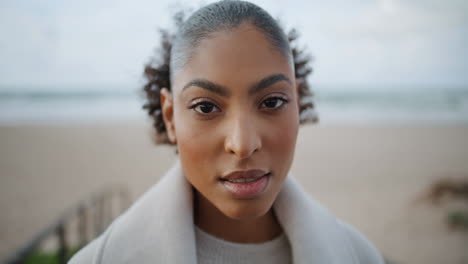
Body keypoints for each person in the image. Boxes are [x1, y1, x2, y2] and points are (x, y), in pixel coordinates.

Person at [69, 1, 384, 263]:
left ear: (297, 104)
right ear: (170, 117)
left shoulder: (360, 256)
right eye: (206, 107)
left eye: (272, 101)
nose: (243, 144)